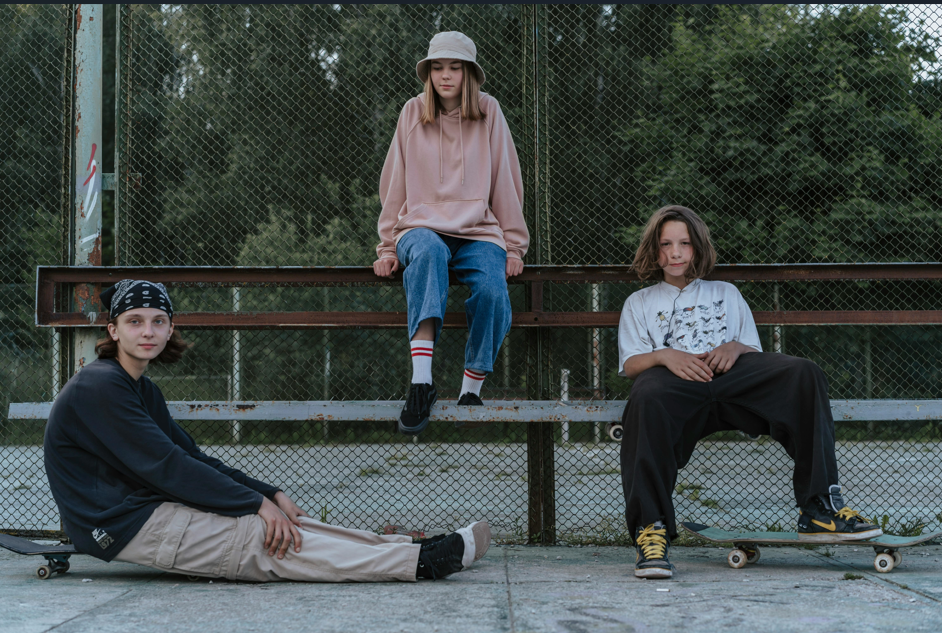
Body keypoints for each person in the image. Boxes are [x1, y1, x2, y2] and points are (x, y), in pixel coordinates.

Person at [43, 279, 490, 582]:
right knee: (267, 540)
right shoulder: (100, 387)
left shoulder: (141, 389)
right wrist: (255, 506)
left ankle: (411, 550)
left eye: (158, 321)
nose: (148, 331)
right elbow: (167, 467)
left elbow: (193, 459)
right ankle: (416, 566)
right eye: (134, 322)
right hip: (122, 526)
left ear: (171, 328)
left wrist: (270, 494)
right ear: (113, 330)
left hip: (147, 508)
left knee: (287, 521)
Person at [617, 205, 881, 579]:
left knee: (803, 373)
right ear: (653, 250)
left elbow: (753, 351)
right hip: (674, 387)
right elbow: (630, 364)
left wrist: (736, 348)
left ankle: (820, 508)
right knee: (644, 396)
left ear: (698, 248)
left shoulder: (724, 292)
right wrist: (665, 355)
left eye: (684, 244)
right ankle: (652, 529)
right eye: (665, 244)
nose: (674, 253)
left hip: (732, 380)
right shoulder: (640, 302)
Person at [372, 31, 529, 435]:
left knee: (494, 291)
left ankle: (471, 390)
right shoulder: (411, 112)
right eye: (437, 67)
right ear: (428, 73)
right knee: (426, 253)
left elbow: (506, 181)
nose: (445, 76)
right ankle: (421, 382)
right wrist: (388, 246)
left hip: (478, 231)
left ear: (468, 73)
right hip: (421, 227)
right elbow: (396, 183)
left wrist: (513, 245)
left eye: (454, 68)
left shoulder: (489, 111)